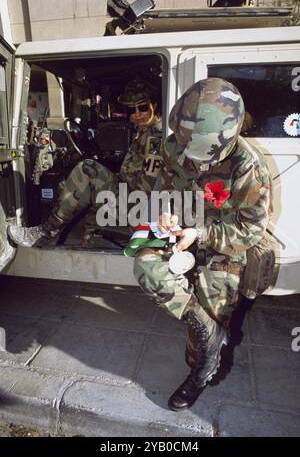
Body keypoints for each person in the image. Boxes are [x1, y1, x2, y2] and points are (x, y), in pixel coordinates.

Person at [133, 77, 273, 411]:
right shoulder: (173, 145)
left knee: (197, 340)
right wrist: (165, 212)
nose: (194, 159)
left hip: (224, 240)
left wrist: (202, 232)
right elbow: (162, 188)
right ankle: (210, 334)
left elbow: (251, 229)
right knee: (145, 264)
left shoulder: (248, 168)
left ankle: (201, 368)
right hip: (183, 230)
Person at [8, 78, 163, 247]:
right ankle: (87, 236)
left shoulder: (155, 138)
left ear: (154, 105)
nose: (137, 114)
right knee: (67, 186)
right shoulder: (144, 131)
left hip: (137, 203)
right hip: (130, 196)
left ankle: (46, 233)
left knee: (87, 170)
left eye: (142, 107)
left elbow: (146, 187)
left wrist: (109, 182)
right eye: (131, 110)